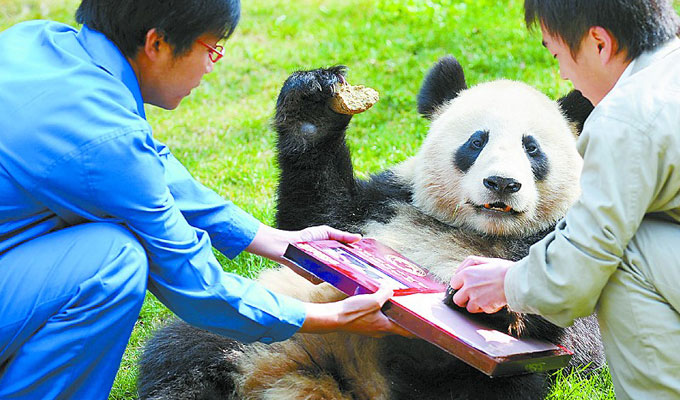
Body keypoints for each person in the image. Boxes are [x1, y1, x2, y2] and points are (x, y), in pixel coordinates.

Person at [0, 0, 411, 398]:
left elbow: (148, 167)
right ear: (157, 43)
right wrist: (328, 317)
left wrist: (274, 240)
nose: (213, 63)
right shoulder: (107, 144)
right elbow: (198, 287)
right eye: (211, 47)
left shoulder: (34, 42)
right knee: (113, 262)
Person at [449, 1, 680, 399]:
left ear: (598, 43)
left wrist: (507, 281)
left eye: (558, 55)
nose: (562, 74)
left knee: (624, 251)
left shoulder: (625, 117)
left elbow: (581, 268)